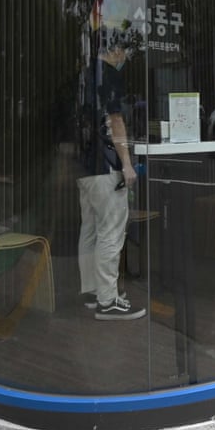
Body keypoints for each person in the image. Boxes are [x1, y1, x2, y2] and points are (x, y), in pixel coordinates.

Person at [75, 25, 145, 321]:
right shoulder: (109, 75)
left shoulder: (82, 76)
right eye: (124, 51)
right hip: (106, 165)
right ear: (114, 49)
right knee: (111, 233)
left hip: (84, 167)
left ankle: (93, 292)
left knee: (89, 230)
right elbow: (115, 121)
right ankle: (108, 300)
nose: (125, 57)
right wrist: (126, 162)